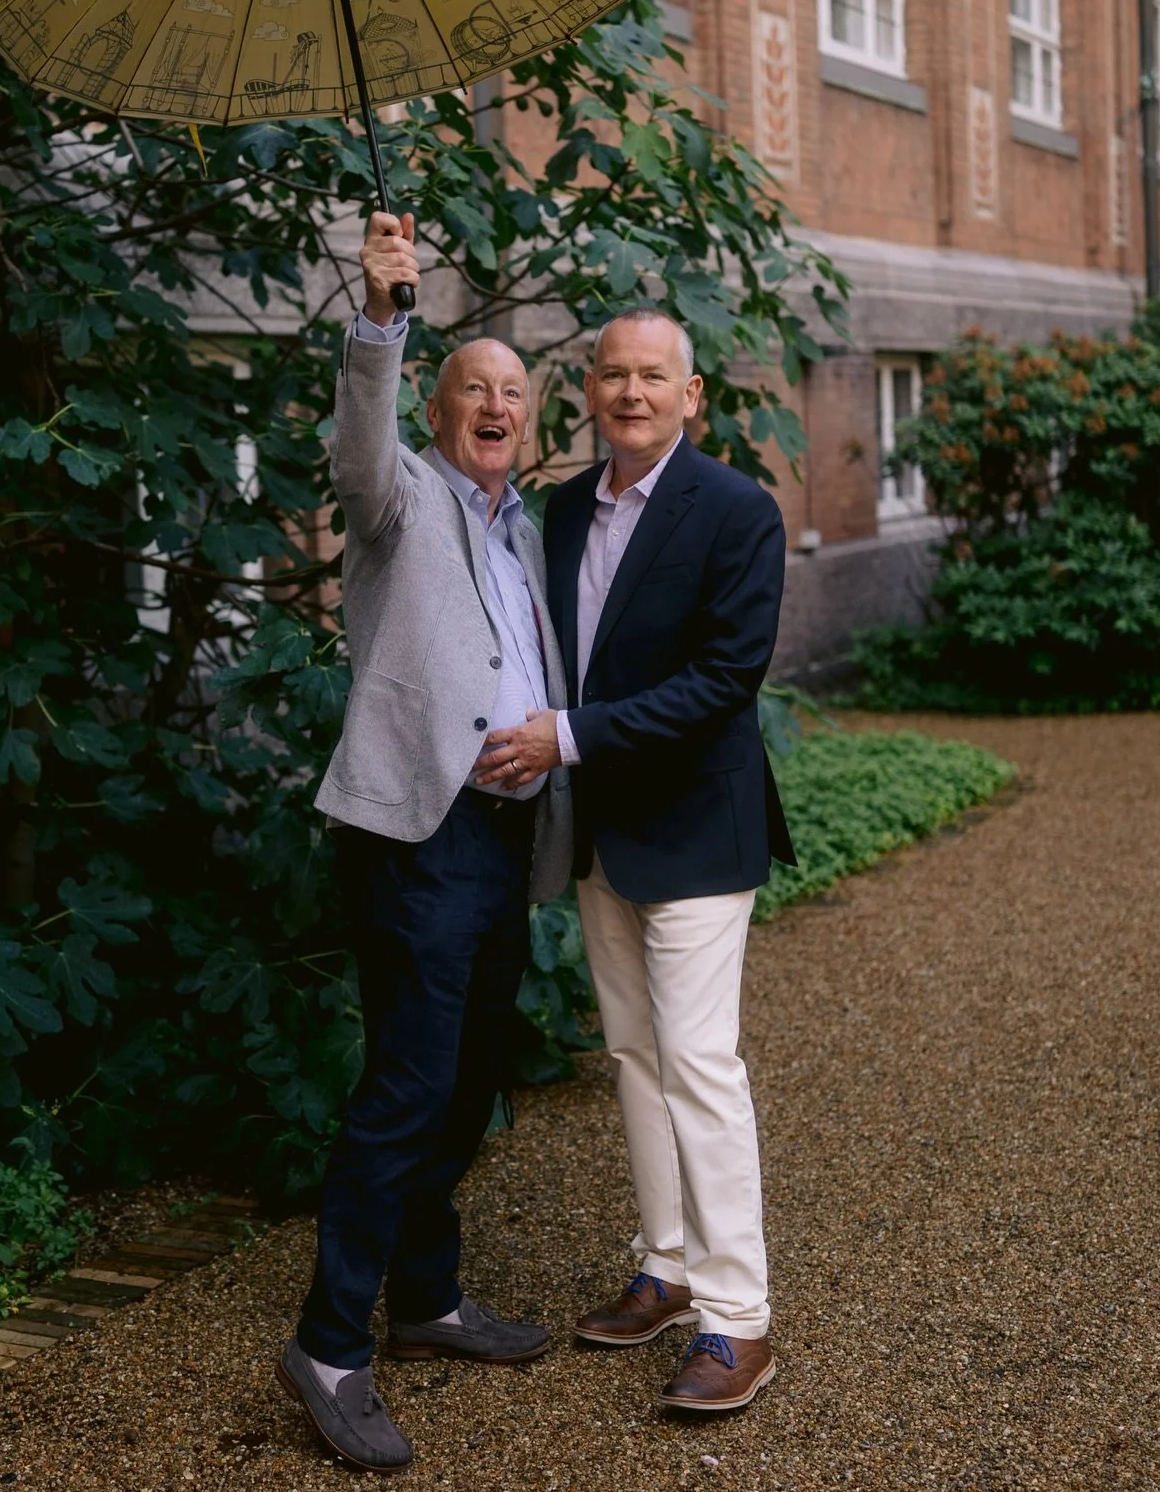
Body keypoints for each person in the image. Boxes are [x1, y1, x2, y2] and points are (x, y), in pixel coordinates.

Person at [277, 209, 573, 1474]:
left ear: (528, 420)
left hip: (504, 836)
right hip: (416, 833)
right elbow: (358, 448)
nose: (494, 404)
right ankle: (329, 1346)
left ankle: (427, 1295)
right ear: (438, 409)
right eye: (473, 388)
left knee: (467, 1082)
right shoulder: (398, 497)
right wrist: (384, 315)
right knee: (406, 1087)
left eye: (513, 391)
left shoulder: (523, 528)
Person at [476, 306, 795, 1416]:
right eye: (612, 373)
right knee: (633, 1055)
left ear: (690, 394)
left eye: (653, 375)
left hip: (699, 831)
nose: (630, 391)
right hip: (601, 831)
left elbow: (725, 680)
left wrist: (563, 735)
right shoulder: (564, 509)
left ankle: (739, 1319)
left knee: (700, 1062)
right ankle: (666, 1266)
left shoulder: (739, 510)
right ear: (590, 390)